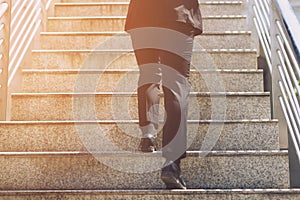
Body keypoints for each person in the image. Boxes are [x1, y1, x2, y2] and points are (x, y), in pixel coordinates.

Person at [125, 0, 203, 189]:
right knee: (176, 85)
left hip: (142, 15)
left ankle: (148, 134)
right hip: (178, 14)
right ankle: (171, 164)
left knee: (148, 73)